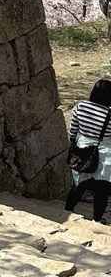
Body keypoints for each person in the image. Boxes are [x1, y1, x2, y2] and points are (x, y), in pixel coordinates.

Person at [65, 79, 111, 223]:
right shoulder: (109, 115)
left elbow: (73, 129)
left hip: (82, 150)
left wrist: (73, 142)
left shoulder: (81, 107)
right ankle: (97, 219)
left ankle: (67, 210)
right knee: (102, 190)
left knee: (79, 185)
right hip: (104, 154)